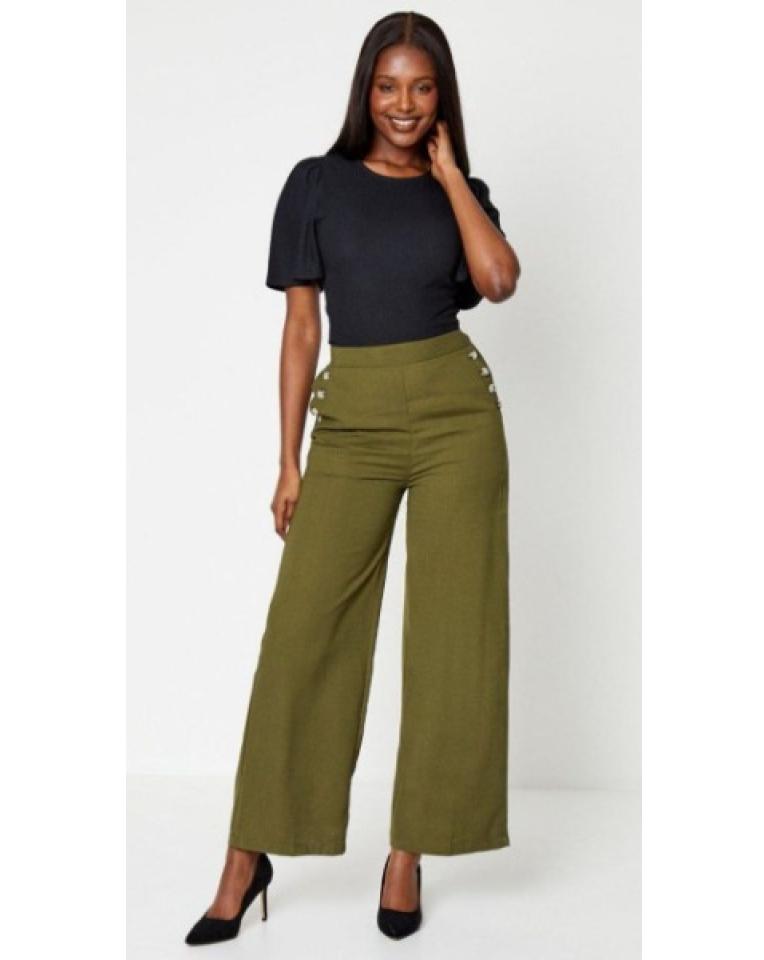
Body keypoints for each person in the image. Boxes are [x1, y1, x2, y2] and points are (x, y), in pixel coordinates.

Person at [186, 10, 521, 946]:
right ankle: (247, 856)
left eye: (421, 87)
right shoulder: (316, 184)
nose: (403, 104)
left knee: (453, 640)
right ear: (364, 91)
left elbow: (499, 280)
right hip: (353, 423)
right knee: (303, 636)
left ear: (442, 97)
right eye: (387, 86)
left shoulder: (461, 191)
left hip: (457, 416)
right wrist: (288, 457)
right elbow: (302, 327)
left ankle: (408, 853)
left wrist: (450, 178)